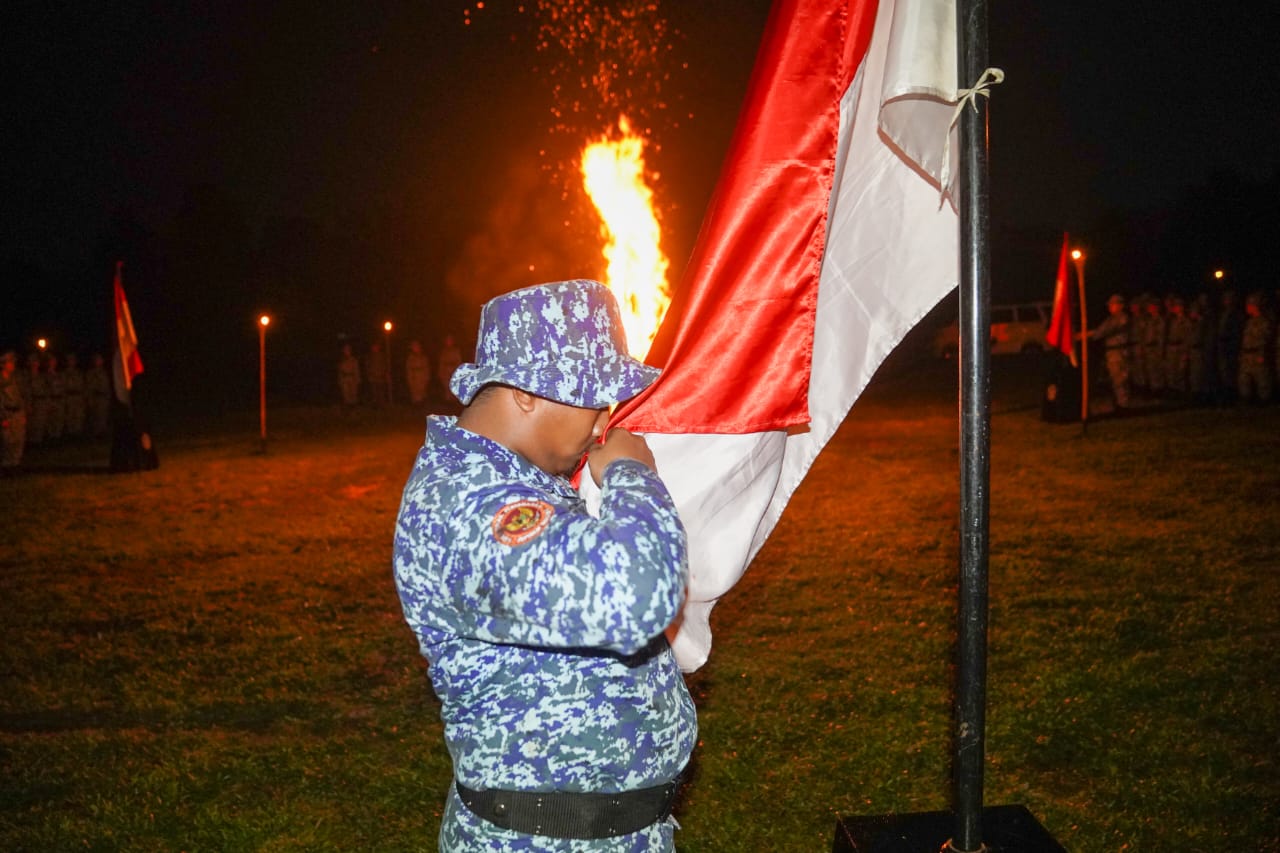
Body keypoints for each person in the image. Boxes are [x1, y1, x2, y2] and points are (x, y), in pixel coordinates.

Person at [393, 280, 694, 851]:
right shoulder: (468, 505)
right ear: (526, 392)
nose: (605, 424)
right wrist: (633, 474)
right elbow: (635, 596)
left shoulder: (520, 482)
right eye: (595, 399)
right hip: (541, 839)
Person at [1085, 293, 1131, 413]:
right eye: (1110, 305)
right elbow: (1100, 330)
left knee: (1120, 379)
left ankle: (1123, 405)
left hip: (1118, 352)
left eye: (1113, 304)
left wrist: (1088, 335)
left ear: (1120, 306)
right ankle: (1119, 403)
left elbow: (1103, 331)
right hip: (1112, 353)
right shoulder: (1111, 318)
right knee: (1114, 378)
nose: (1110, 307)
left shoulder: (1121, 317)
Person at [1237, 291, 1273, 404]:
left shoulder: (1264, 321)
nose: (1247, 307)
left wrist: (1262, 354)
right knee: (1244, 379)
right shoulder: (1249, 322)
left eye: (1249, 305)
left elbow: (1265, 339)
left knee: (1262, 378)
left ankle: (1265, 400)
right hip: (1247, 354)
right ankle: (1246, 399)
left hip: (1257, 353)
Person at [1, 351, 26, 472]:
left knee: (18, 439)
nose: (13, 365)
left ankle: (16, 464)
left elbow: (19, 396)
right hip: (7, 413)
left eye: (13, 362)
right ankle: (7, 466)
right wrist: (2, 418)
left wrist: (23, 413)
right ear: (3, 364)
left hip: (17, 413)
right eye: (10, 363)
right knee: (8, 441)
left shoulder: (14, 378)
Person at [84, 353, 111, 438]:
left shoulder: (104, 372)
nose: (99, 361)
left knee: (103, 416)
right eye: (97, 360)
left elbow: (107, 385)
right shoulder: (91, 373)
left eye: (100, 360)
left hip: (104, 398)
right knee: (96, 417)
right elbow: (89, 387)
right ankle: (96, 434)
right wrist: (90, 400)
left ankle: (103, 433)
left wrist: (108, 397)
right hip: (96, 398)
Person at [62, 351, 86, 438]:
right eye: (69, 360)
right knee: (69, 417)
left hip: (78, 398)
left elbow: (82, 386)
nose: (71, 362)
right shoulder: (64, 374)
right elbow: (63, 387)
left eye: (73, 360)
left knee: (78, 417)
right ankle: (70, 435)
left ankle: (77, 434)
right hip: (69, 397)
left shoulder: (79, 373)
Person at [436, 333, 462, 402]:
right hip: (446, 373)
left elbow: (459, 361)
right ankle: (448, 401)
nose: (449, 342)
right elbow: (441, 363)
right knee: (447, 387)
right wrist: (440, 373)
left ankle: (454, 401)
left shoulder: (456, 350)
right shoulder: (444, 351)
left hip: (453, 371)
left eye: (450, 340)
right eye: (447, 340)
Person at [404, 339, 430, 406]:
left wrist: (426, 377)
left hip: (421, 377)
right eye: (414, 347)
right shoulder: (410, 358)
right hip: (414, 377)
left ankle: (421, 403)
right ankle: (416, 404)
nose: (415, 348)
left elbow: (426, 368)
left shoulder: (423, 357)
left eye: (417, 347)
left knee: (421, 391)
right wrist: (410, 377)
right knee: (414, 391)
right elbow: (408, 368)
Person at [337, 343, 361, 411]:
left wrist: (358, 379)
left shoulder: (354, 360)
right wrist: (340, 380)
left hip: (352, 378)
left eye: (348, 350)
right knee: (345, 394)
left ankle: (354, 409)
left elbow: (357, 370)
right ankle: (347, 409)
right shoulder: (341, 360)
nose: (346, 351)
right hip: (344, 379)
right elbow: (339, 371)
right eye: (345, 350)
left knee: (353, 394)